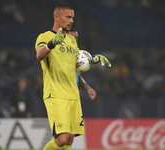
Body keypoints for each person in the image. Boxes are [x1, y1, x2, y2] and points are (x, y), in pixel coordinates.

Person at [35, 4, 111, 150]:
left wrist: (93, 60)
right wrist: (52, 44)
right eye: (68, 17)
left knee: (69, 139)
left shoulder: (71, 41)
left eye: (73, 18)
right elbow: (39, 55)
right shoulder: (45, 36)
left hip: (73, 94)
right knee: (62, 138)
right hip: (56, 93)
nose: (71, 21)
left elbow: (75, 66)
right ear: (57, 17)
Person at [67, 27, 96, 100]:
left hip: (74, 95)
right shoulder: (59, 54)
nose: (74, 40)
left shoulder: (77, 54)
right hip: (62, 95)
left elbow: (77, 74)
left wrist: (88, 88)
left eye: (76, 38)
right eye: (71, 38)